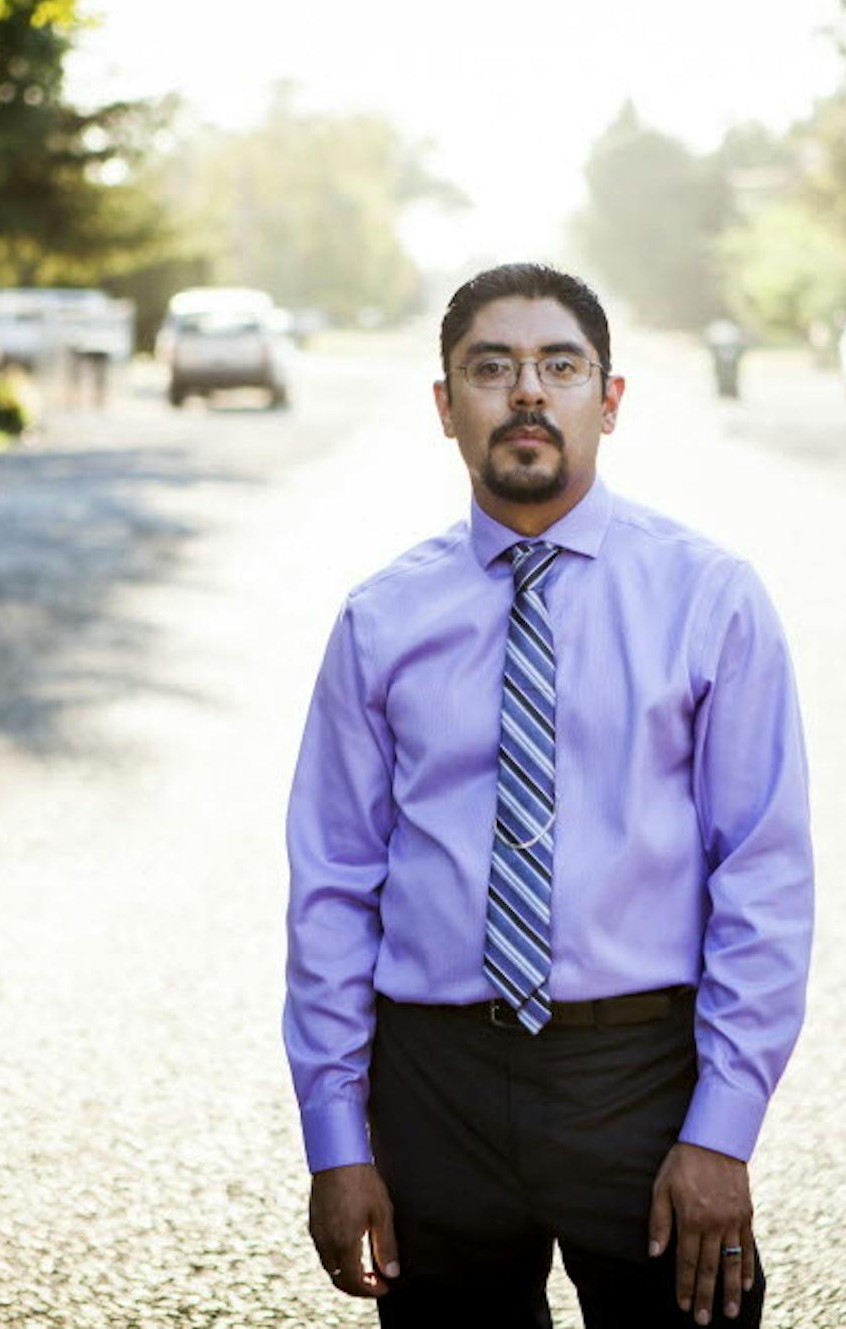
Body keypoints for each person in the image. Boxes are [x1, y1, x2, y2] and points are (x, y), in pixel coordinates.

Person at [282, 263, 814, 1326]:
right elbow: (333, 886)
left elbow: (763, 871)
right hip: (432, 1085)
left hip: (641, 1075)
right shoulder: (380, 620)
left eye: (559, 365)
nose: (528, 392)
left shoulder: (709, 597)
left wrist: (722, 1128)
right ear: (446, 406)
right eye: (492, 367)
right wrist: (336, 1142)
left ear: (608, 400)